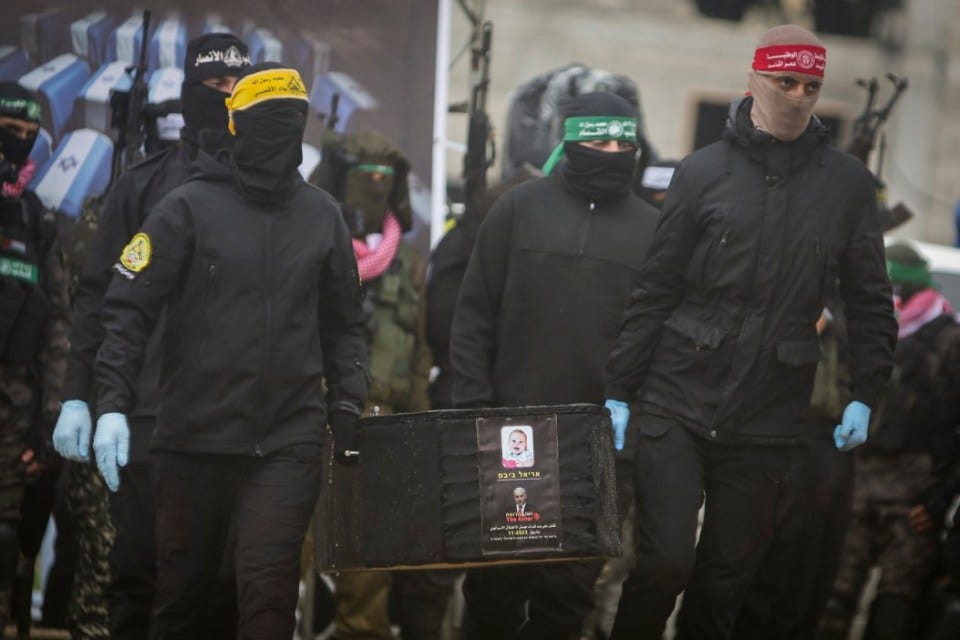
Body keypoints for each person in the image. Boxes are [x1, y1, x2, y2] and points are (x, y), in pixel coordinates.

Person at [602, 25, 897, 639]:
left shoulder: (846, 187)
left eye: (811, 86)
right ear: (754, 79)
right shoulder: (703, 172)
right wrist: (620, 388)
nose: (797, 96)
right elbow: (655, 288)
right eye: (784, 81)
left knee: (722, 587)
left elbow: (870, 298)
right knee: (662, 567)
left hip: (768, 418)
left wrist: (868, 391)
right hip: (677, 400)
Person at [88, 63, 367, 639]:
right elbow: (126, 306)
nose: (280, 133)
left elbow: (344, 323)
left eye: (293, 121)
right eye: (267, 121)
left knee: (267, 596)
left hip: (286, 443)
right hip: (192, 440)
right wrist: (111, 403)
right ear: (237, 125)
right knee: (185, 601)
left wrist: (349, 402)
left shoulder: (323, 217)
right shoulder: (184, 209)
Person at [51, 33, 250, 639]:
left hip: (232, 423)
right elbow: (97, 297)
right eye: (216, 88)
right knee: (135, 574)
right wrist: (80, 394)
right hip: (143, 414)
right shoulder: (141, 185)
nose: (227, 99)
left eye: (238, 88)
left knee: (221, 588)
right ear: (190, 93)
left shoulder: (269, 193)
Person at [450, 90, 660, 639]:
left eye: (623, 142)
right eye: (598, 140)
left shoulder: (654, 230)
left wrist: (635, 432)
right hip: (510, 434)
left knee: (566, 598)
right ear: (570, 141)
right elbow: (473, 316)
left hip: (601, 446)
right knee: (494, 590)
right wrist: (472, 412)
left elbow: (661, 339)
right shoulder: (517, 209)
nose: (612, 152)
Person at [310, 129, 433, 640]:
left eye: (386, 179)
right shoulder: (314, 240)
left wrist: (420, 424)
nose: (376, 187)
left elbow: (421, 348)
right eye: (366, 177)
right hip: (311, 410)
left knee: (370, 552)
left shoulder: (406, 262)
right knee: (285, 545)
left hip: (382, 419)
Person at [818, 242, 960, 640]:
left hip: (914, 496)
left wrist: (937, 499)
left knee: (895, 606)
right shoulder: (869, 331)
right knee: (834, 595)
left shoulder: (949, 340)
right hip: (860, 482)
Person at [0, 81, 70, 635]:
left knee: (7, 541)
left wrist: (48, 424)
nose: (16, 144)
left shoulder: (37, 221)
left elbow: (56, 330)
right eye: (9, 131)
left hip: (13, 416)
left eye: (28, 136)